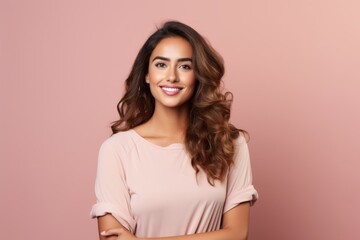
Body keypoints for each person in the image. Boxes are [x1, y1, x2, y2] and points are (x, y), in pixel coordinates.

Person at [90, 20, 258, 240]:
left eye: (184, 66)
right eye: (161, 64)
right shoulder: (117, 150)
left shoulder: (230, 143)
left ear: (198, 76)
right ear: (147, 75)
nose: (171, 76)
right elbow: (111, 238)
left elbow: (237, 234)